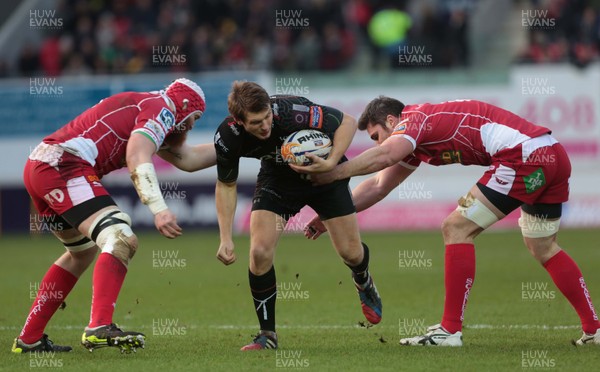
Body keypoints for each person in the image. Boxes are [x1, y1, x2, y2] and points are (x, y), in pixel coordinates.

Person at [294, 97, 600, 346]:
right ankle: (594, 329)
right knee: (543, 247)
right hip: (551, 155)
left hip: (524, 157)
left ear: (391, 121)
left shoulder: (414, 120)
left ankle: (450, 330)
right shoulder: (415, 141)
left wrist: (333, 172)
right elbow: (378, 186)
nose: (377, 144)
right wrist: (327, 217)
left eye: (376, 136)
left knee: (455, 227)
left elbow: (385, 156)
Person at [12, 78, 216, 354]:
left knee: (80, 254)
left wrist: (239, 149)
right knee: (120, 236)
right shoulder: (162, 108)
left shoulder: (149, 107)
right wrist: (159, 208)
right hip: (63, 165)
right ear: (183, 105)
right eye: (194, 117)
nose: (192, 125)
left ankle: (30, 337)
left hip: (43, 166)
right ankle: (98, 326)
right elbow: (136, 155)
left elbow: (189, 159)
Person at [214, 81, 382, 351]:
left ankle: (362, 279)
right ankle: (267, 335)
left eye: (267, 116)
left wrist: (330, 162)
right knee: (259, 252)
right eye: (257, 122)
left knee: (351, 253)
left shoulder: (294, 112)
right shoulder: (229, 136)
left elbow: (347, 122)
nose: (266, 125)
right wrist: (225, 237)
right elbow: (226, 185)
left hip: (325, 175)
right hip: (278, 181)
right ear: (239, 121)